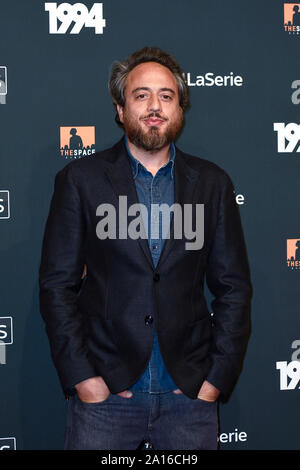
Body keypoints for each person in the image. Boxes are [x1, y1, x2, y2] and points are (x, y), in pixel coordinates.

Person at [39, 46, 252, 450]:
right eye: (141, 95)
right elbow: (57, 286)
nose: (154, 106)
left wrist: (215, 379)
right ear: (121, 109)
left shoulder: (212, 184)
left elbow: (234, 289)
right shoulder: (80, 180)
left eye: (166, 96)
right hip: (105, 397)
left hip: (188, 396)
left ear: (180, 109)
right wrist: (83, 378)